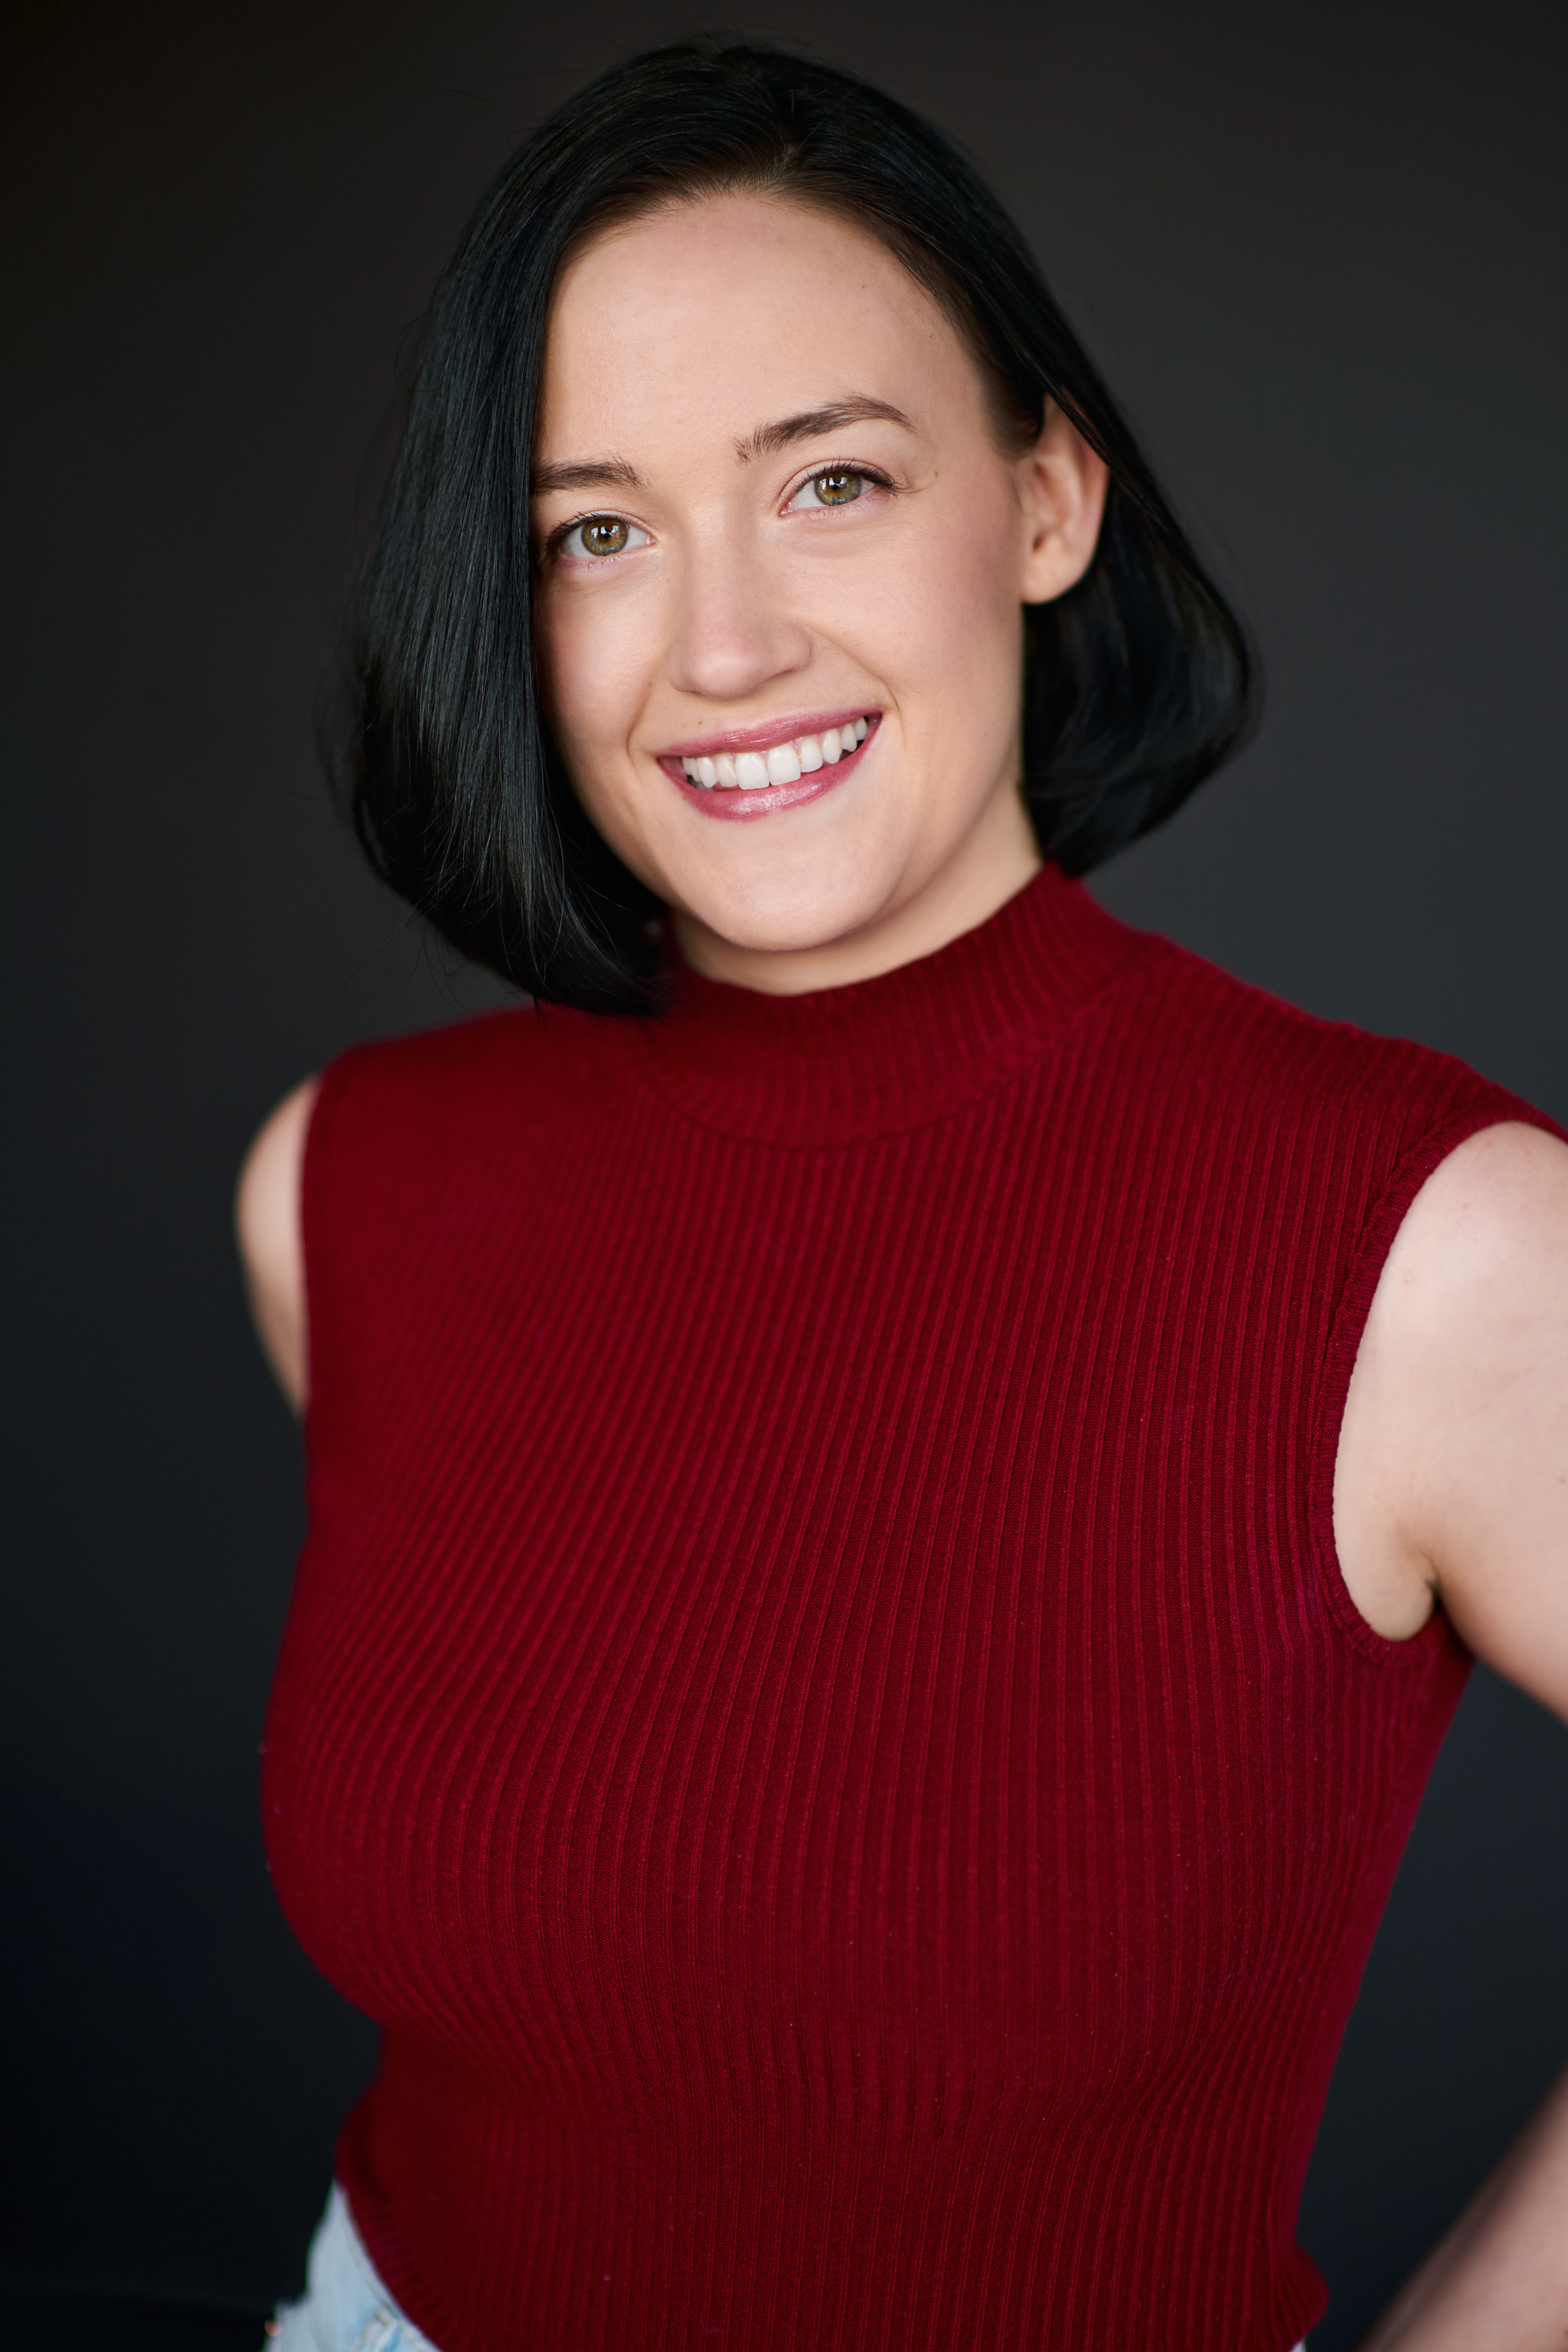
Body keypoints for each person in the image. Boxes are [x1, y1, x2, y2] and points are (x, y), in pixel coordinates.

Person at [236, 39, 1568, 2352]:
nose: (724, 646)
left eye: (831, 481)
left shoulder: (1424, 1242)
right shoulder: (344, 1184)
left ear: (1046, 502)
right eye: (595, 532)